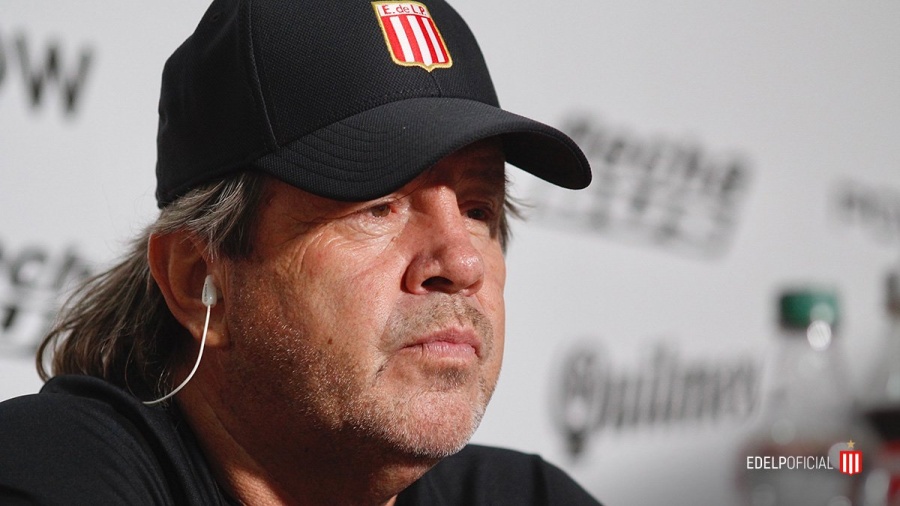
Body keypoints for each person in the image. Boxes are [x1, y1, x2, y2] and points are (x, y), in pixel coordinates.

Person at [0, 0, 598, 504]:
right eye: (378, 206)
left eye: (478, 210)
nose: (462, 265)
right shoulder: (50, 477)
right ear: (199, 279)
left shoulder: (527, 496)